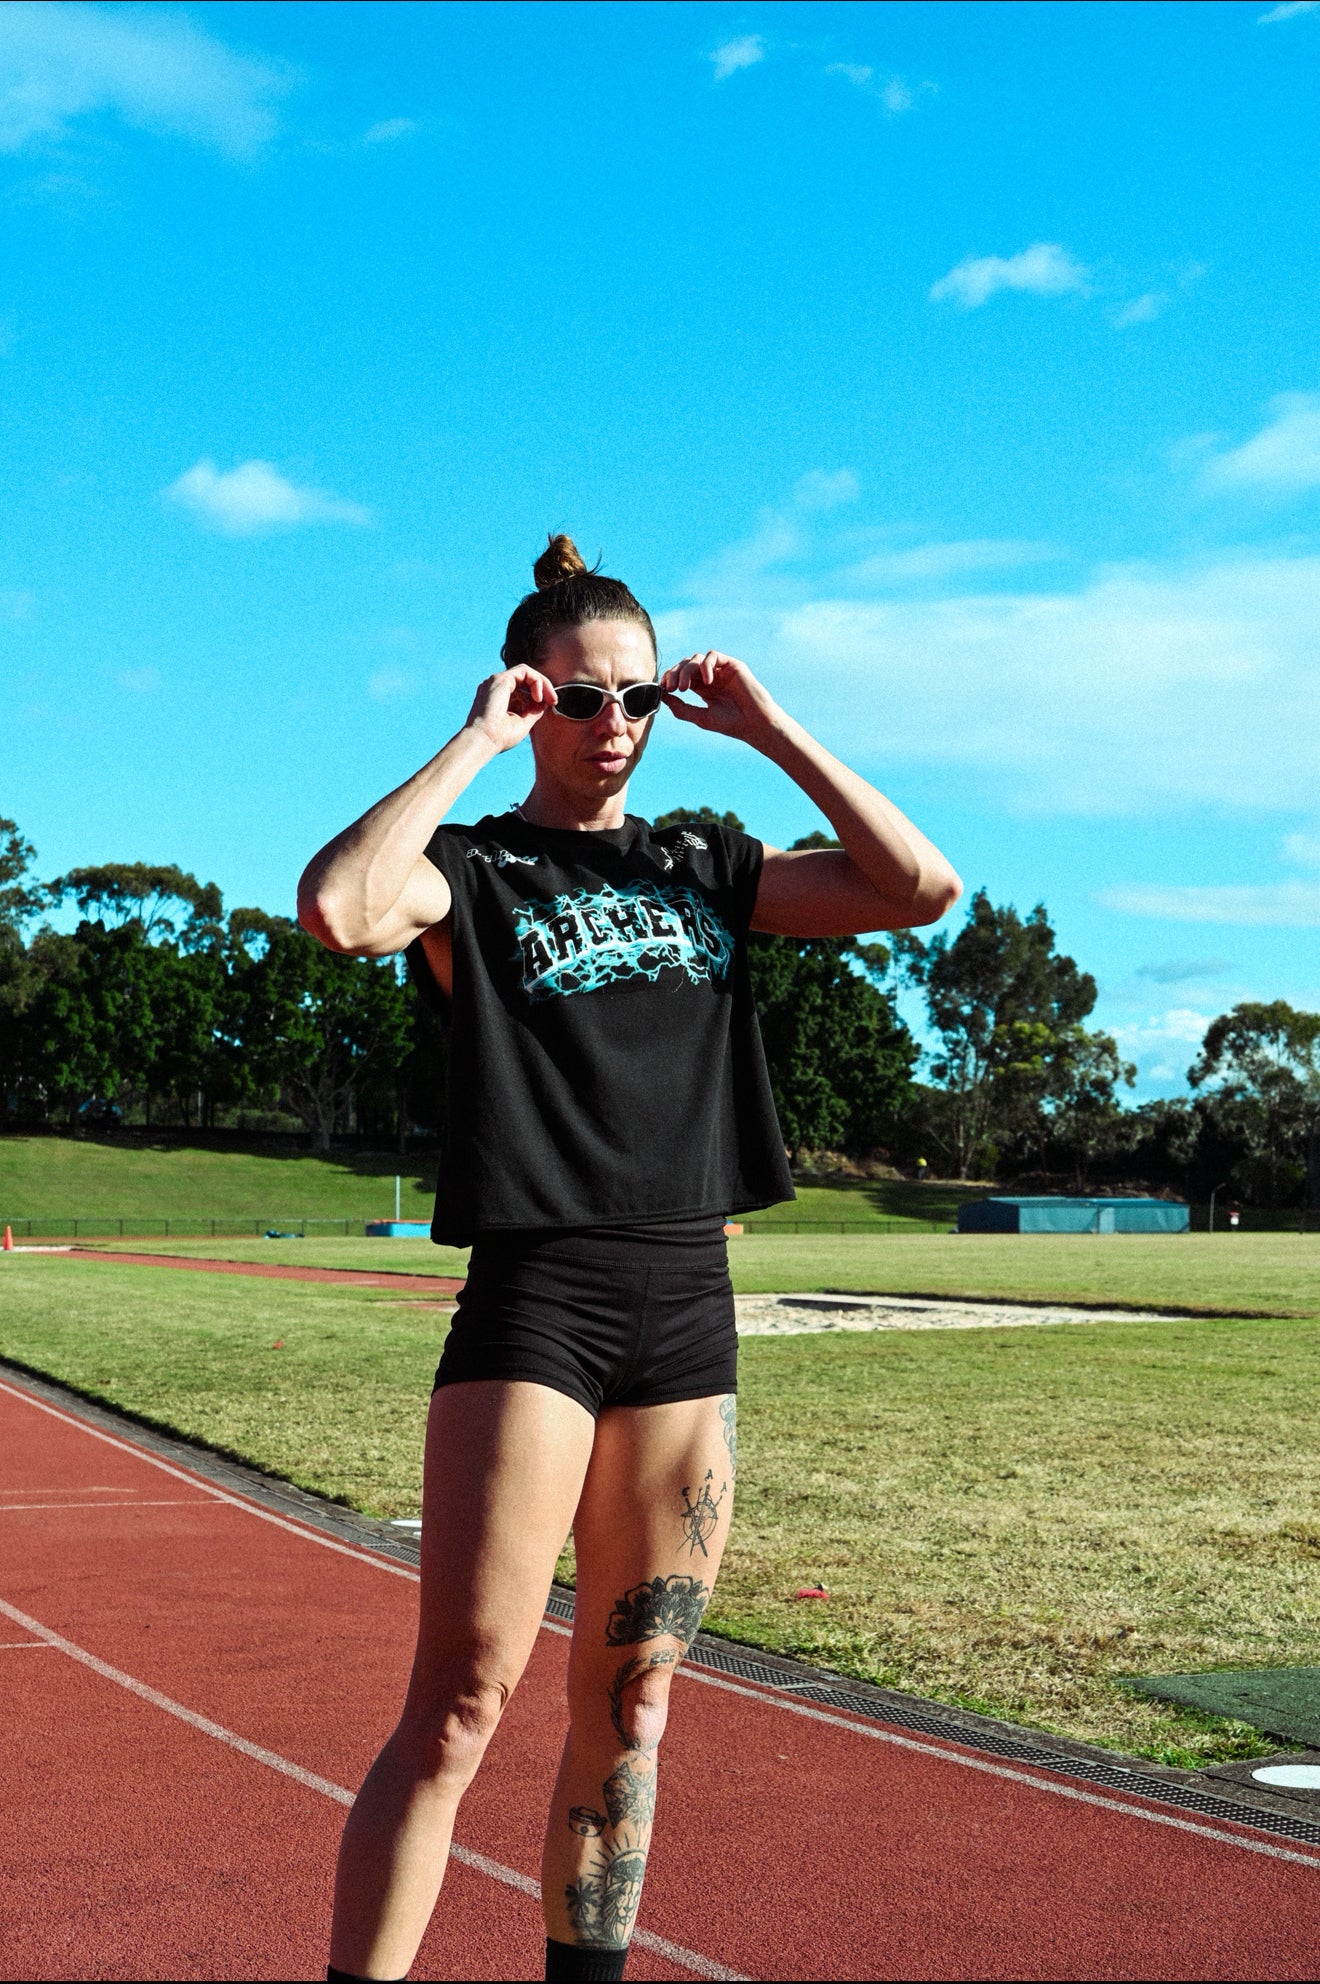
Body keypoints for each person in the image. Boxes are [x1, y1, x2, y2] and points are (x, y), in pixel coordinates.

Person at [298, 534, 961, 1983]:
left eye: (640, 698)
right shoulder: (472, 871)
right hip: (538, 1304)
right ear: (532, 693)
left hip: (687, 1310)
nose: (616, 725)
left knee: (633, 1709)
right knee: (463, 1704)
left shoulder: (706, 864)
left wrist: (770, 728)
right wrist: (477, 741)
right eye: (582, 698)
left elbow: (920, 888)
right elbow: (341, 908)